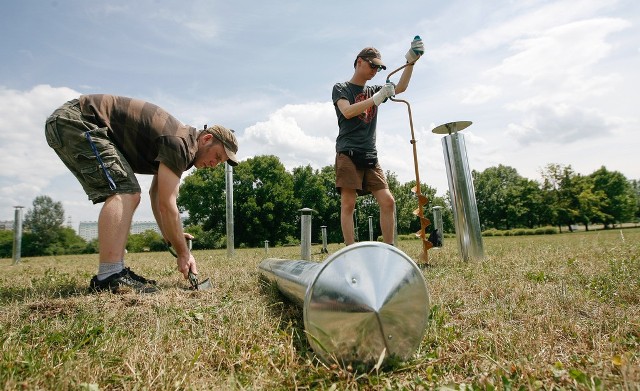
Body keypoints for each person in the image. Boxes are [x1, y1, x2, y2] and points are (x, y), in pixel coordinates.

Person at [44, 94, 239, 293]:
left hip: (70, 121)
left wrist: (172, 237)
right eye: (217, 156)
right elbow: (167, 205)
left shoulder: (182, 144)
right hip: (77, 120)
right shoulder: (180, 143)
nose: (214, 164)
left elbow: (156, 196)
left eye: (220, 162)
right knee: (126, 191)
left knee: (129, 191)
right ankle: (110, 276)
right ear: (206, 139)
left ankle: (114, 272)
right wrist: (183, 253)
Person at [332, 37, 424, 245]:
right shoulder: (341, 88)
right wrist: (377, 98)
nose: (375, 71)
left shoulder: (374, 90)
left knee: (388, 201)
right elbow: (347, 112)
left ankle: (389, 250)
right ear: (359, 62)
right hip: (348, 153)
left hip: (370, 155)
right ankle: (350, 250)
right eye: (372, 65)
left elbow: (400, 87)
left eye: (379, 68)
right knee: (348, 205)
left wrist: (411, 62)